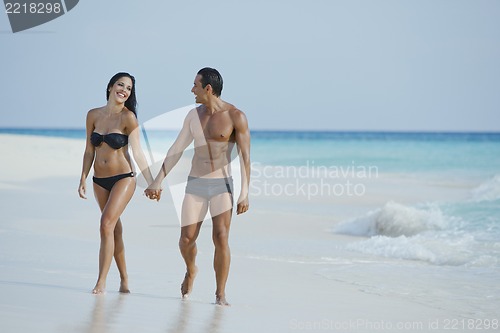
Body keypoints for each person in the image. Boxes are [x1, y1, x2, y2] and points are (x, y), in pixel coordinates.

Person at [145, 67, 251, 306]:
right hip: (196, 184)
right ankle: (191, 270)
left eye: (195, 85)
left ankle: (220, 294)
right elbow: (176, 149)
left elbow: (245, 157)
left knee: (221, 237)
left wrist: (245, 192)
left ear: (208, 88)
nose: (191, 89)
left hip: (222, 185)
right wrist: (158, 179)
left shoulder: (236, 116)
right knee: (185, 239)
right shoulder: (193, 115)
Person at [78, 72, 154, 294]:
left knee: (105, 225)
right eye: (121, 85)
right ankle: (124, 279)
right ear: (110, 86)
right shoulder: (93, 115)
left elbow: (138, 153)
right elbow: (89, 149)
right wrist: (82, 176)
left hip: (123, 178)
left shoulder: (128, 118)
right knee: (114, 229)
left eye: (129, 88)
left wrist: (152, 182)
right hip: (99, 180)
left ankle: (101, 282)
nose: (124, 90)